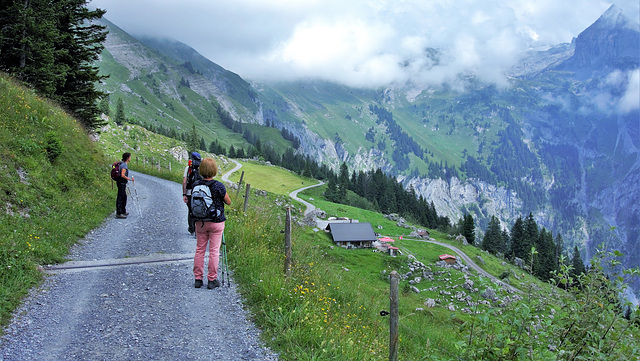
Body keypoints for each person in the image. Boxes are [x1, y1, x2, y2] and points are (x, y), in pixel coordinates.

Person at [192, 158, 231, 289]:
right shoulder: (218, 185)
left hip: (200, 221)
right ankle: (212, 279)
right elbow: (228, 201)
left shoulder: (196, 185)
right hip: (216, 222)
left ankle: (198, 279)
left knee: (200, 250)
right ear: (214, 170)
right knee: (214, 251)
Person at [182, 152, 202, 234]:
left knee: (190, 210)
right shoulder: (202, 168)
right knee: (198, 209)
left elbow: (184, 182)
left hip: (190, 192)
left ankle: (191, 228)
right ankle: (199, 228)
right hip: (200, 192)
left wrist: (184, 194)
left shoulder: (188, 168)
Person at [116, 152, 134, 219]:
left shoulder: (122, 164)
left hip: (121, 182)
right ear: (127, 158)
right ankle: (119, 213)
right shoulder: (124, 165)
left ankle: (123, 211)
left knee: (124, 196)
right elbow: (122, 175)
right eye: (129, 157)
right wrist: (129, 179)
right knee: (121, 197)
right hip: (121, 183)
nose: (130, 158)